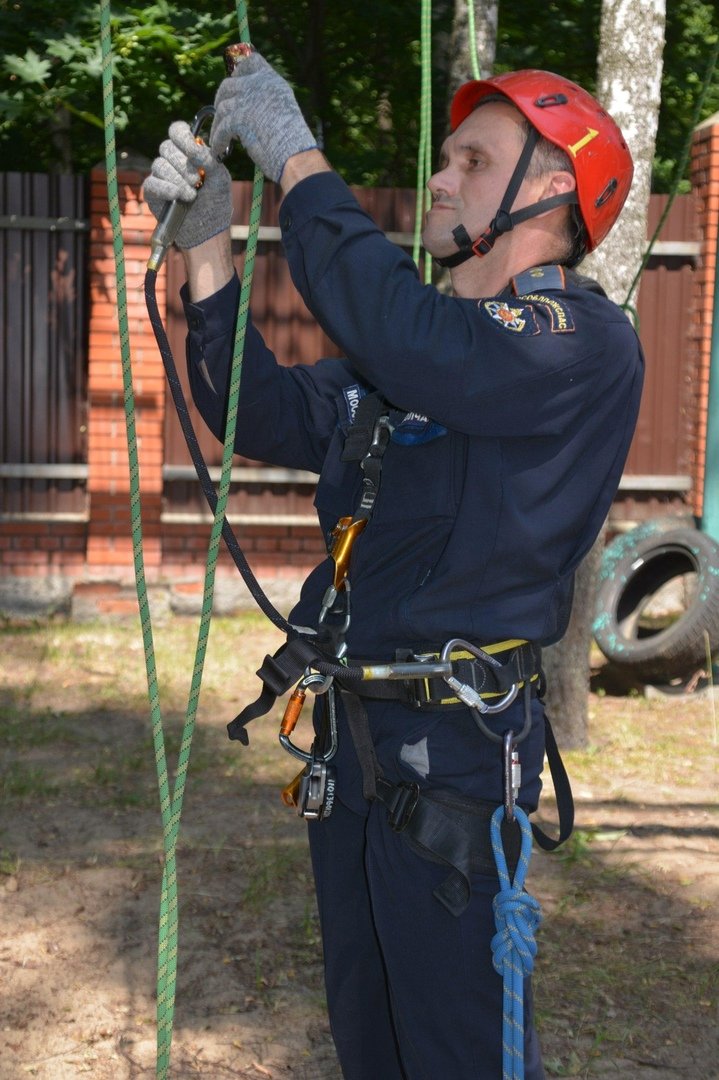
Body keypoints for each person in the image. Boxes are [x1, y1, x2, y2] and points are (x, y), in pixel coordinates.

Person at [144, 49, 643, 1080]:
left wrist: (296, 159)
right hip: (357, 743)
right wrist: (208, 257)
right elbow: (270, 415)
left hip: (456, 753)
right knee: (368, 1037)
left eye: (472, 159)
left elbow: (412, 338)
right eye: (447, 157)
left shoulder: (574, 341)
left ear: (547, 193)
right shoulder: (427, 349)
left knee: (457, 1049)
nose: (438, 179)